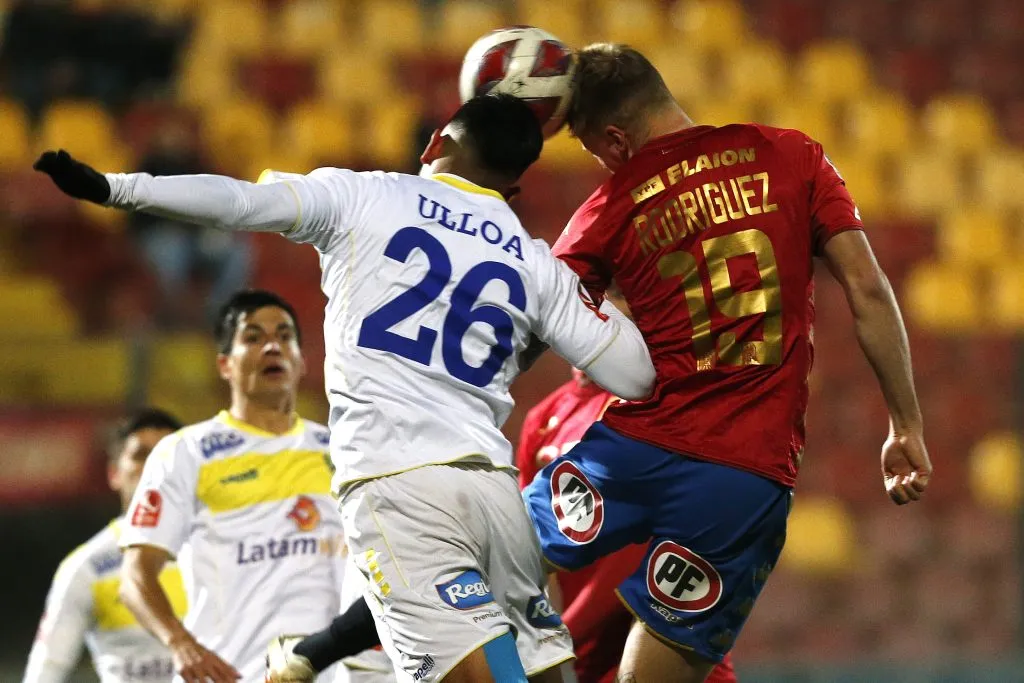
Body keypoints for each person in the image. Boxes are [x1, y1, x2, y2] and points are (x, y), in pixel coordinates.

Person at [34, 93, 656, 683]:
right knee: (546, 669)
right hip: (496, 491)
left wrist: (118, 189)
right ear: (514, 188)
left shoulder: (366, 195)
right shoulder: (534, 260)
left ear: (436, 142)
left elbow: (240, 203)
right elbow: (634, 373)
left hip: (400, 487)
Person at [518, 43, 934, 683]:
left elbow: (532, 320)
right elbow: (869, 290)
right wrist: (904, 425)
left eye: (591, 147)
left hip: (637, 450)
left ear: (616, 138)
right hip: (744, 478)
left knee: (493, 554)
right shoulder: (794, 156)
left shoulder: (608, 208)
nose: (597, 161)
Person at [113, 290, 347, 683]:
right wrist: (180, 643)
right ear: (224, 364)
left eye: (285, 336)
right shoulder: (187, 452)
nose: (273, 345)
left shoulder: (341, 453)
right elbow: (134, 578)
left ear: (302, 362)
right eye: (253, 337)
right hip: (230, 673)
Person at [23, 408, 187, 683]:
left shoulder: (223, 547)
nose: (154, 464)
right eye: (140, 454)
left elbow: (275, 625)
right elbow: (46, 670)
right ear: (114, 474)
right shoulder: (87, 568)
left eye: (166, 453)